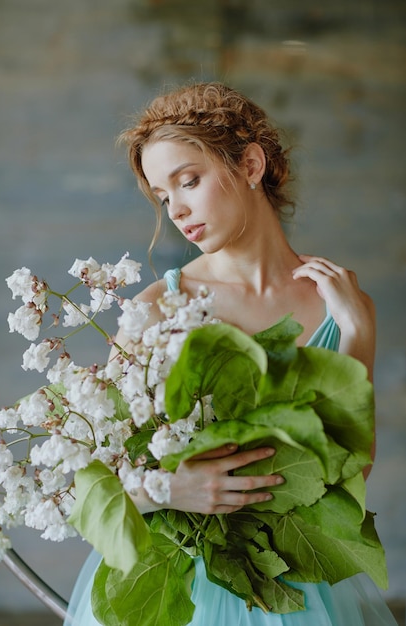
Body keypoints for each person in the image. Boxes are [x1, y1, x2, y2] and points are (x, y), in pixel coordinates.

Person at [64, 82, 396, 625]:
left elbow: (352, 469)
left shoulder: (343, 302)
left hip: (295, 586)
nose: (177, 209)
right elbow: (88, 491)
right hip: (180, 588)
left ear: (249, 164)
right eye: (164, 196)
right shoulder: (157, 311)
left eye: (188, 181)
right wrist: (173, 487)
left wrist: (355, 332)